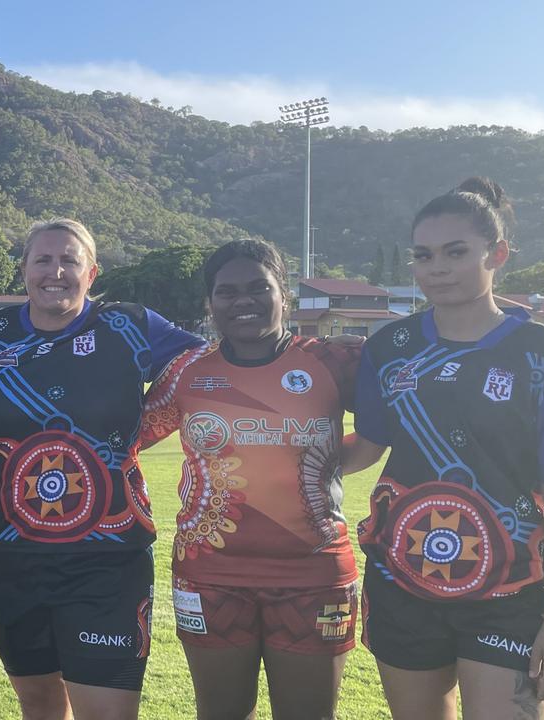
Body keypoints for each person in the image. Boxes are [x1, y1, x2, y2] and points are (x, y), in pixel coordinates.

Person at [347, 178, 544, 719]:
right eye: (423, 255)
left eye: (456, 252)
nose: (436, 268)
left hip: (510, 590)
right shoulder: (389, 349)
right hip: (402, 581)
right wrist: (287, 454)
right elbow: (368, 446)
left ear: (498, 254)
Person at [0, 218, 205, 720]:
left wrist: (147, 425)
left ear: (92, 272)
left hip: (107, 560)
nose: (56, 271)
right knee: (41, 708)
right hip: (12, 556)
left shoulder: (128, 325)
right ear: (23, 268)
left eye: (70, 260)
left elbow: (207, 368)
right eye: (43, 259)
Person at [139, 238, 364, 720]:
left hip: (315, 575)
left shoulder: (333, 362)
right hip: (209, 575)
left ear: (284, 293)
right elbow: (125, 440)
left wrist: (321, 460)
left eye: (259, 287)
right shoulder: (187, 372)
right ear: (211, 303)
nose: (244, 300)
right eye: (227, 291)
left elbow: (386, 429)